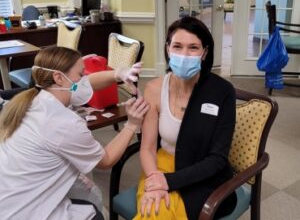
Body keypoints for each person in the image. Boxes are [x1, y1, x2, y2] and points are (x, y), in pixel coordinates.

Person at [0, 46, 149, 220]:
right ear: (58, 77)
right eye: (81, 74)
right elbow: (106, 160)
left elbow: (86, 83)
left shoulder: (33, 99)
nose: (84, 79)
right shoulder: (63, 123)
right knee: (94, 211)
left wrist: (118, 75)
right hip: (27, 212)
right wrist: (131, 124)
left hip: (9, 198)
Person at [133, 16, 237, 220]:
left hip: (203, 175)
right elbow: (147, 148)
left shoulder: (222, 91)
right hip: (161, 166)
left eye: (193, 48)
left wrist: (168, 182)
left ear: (204, 52)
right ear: (167, 48)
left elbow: (217, 159)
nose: (184, 54)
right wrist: (155, 180)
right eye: (177, 46)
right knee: (153, 211)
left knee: (157, 214)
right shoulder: (154, 89)